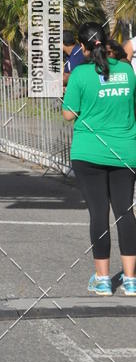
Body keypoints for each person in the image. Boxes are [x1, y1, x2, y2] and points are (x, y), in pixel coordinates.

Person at [62, 22, 136, 296]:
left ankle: (103, 279)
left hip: (89, 152)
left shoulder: (80, 74)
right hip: (125, 151)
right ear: (106, 41)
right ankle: (131, 279)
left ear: (82, 47)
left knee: (99, 213)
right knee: (125, 212)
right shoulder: (127, 71)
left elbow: (68, 114)